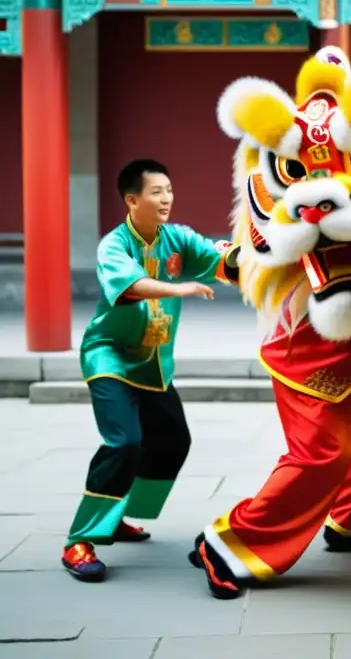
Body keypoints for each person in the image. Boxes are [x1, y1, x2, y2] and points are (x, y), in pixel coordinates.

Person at [61, 159, 240, 582]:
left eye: (169, 190)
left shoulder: (177, 238)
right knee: (125, 443)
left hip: (155, 364)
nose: (166, 198)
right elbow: (131, 287)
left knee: (174, 441)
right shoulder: (113, 245)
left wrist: (253, 253)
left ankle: (115, 513)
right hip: (109, 356)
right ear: (132, 199)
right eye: (157, 191)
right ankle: (81, 540)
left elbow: (220, 259)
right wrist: (178, 287)